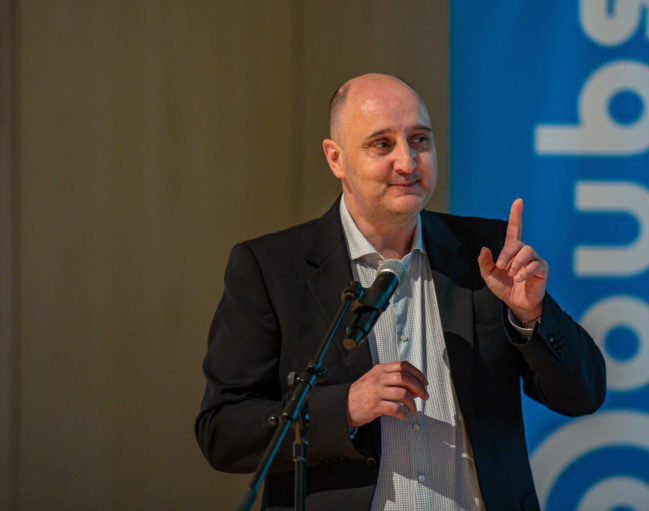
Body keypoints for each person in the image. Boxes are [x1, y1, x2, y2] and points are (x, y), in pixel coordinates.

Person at [195, 73, 606, 511]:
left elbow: (583, 395)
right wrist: (345, 408)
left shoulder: (484, 256)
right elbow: (223, 433)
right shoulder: (272, 269)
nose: (408, 163)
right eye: (381, 144)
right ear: (336, 159)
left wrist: (531, 316)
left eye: (420, 140)